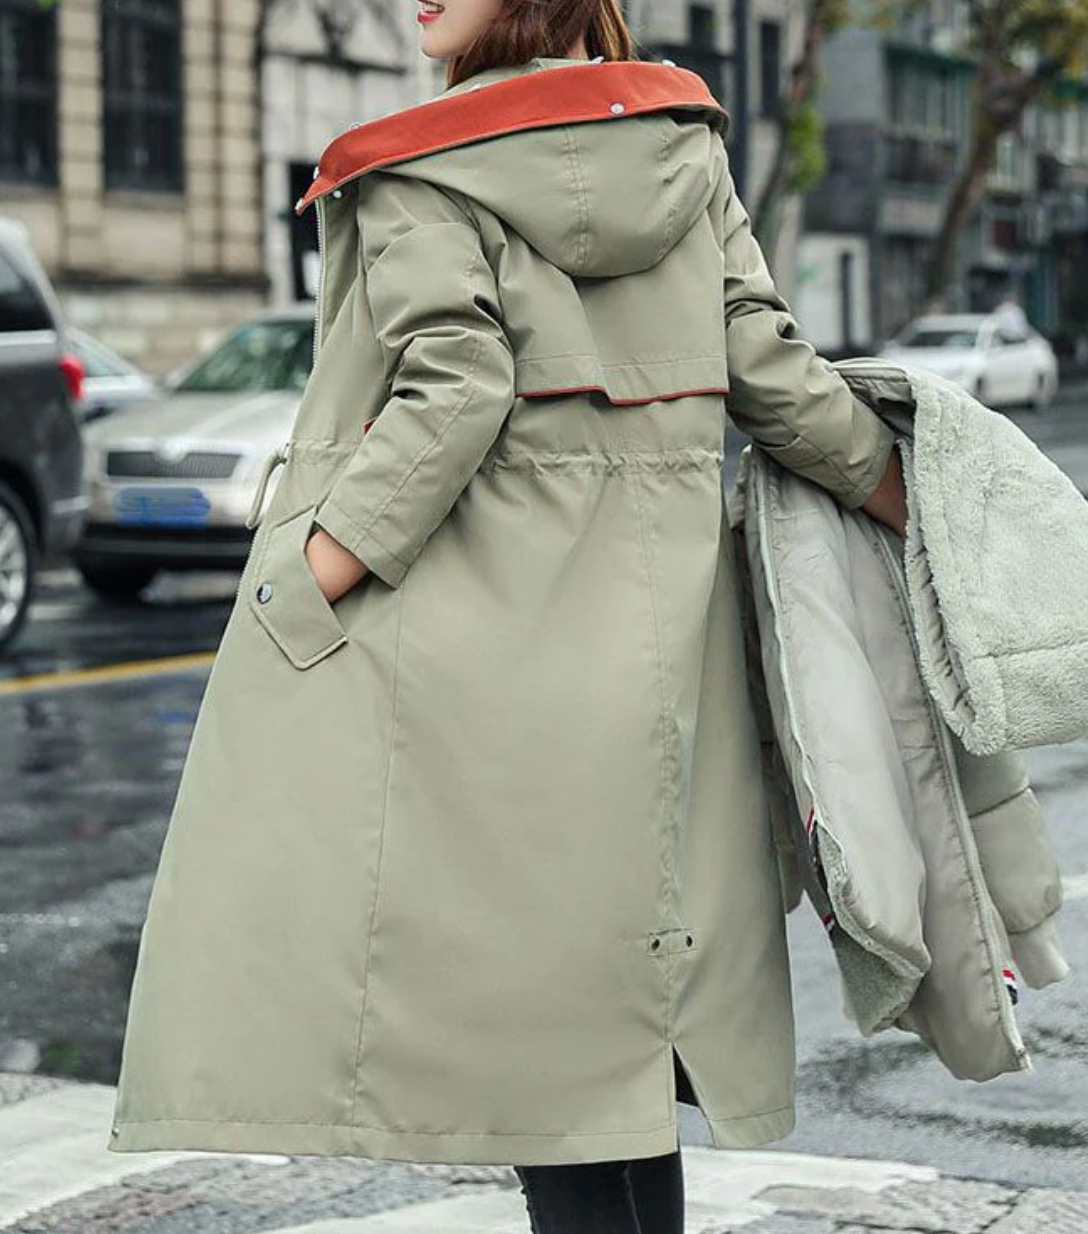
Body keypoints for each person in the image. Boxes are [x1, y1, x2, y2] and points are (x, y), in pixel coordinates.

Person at [108, 2, 907, 1232]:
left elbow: (455, 386)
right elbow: (770, 372)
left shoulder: (422, 164)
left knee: (533, 1072)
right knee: (617, 1075)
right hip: (660, 681)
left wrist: (306, 579)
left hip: (483, 683)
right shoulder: (683, 151)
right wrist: (916, 501)